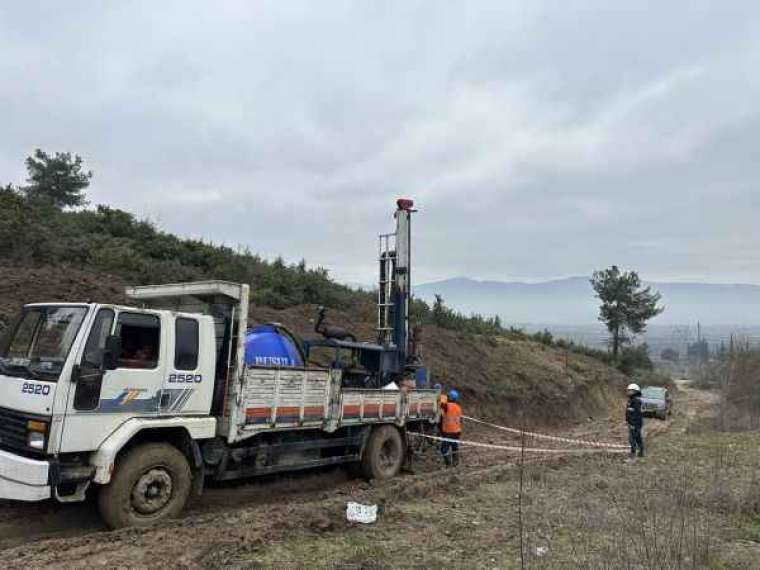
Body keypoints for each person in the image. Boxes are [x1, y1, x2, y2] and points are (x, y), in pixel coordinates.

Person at [440, 389, 462, 467]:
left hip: (448, 432)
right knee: (454, 448)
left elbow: (441, 403)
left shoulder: (447, 406)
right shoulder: (458, 407)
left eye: (448, 396)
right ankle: (455, 463)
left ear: (449, 398)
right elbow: (460, 420)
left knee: (444, 449)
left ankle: (448, 464)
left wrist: (441, 395)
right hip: (457, 432)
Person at [626, 383, 644, 458]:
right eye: (628, 390)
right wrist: (627, 421)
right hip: (632, 423)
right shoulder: (631, 400)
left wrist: (633, 424)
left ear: (635, 391)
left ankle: (633, 454)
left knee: (632, 439)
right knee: (637, 438)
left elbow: (637, 414)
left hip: (635, 424)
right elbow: (629, 412)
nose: (629, 392)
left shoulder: (636, 401)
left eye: (631, 391)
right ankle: (641, 452)